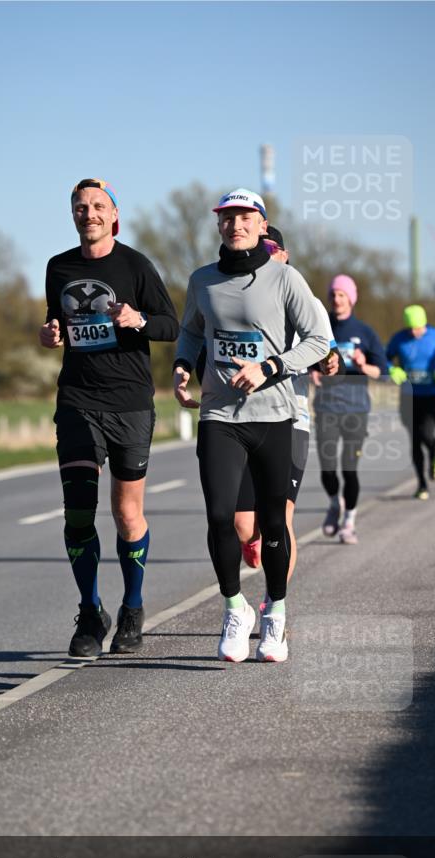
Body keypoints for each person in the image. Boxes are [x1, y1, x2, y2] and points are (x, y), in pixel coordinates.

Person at [173, 189, 329, 664]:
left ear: (262, 225)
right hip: (220, 415)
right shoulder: (202, 280)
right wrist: (182, 364)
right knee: (221, 516)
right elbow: (192, 329)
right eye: (227, 217)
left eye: (245, 216)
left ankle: (276, 614)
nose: (235, 224)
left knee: (274, 523)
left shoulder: (284, 278)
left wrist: (272, 367)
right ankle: (234, 607)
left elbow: (319, 339)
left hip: (273, 415)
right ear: (219, 225)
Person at [40, 178, 178, 658]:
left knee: (125, 513)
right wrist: (51, 333)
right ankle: (90, 610)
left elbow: (170, 325)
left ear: (113, 216)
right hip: (77, 400)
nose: (89, 213)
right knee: (78, 512)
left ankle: (133, 608)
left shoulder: (135, 265)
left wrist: (136, 320)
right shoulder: (59, 268)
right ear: (73, 214)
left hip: (130, 403)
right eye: (81, 206)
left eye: (98, 206)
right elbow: (55, 322)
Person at [231, 226, 343, 584]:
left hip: (290, 417)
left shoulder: (307, 300)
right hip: (241, 416)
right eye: (259, 247)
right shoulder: (234, 295)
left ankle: (274, 609)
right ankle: (252, 539)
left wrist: (329, 361)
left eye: (272, 247)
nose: (266, 253)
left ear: (285, 254)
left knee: (280, 515)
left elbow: (327, 349)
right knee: (242, 523)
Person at [312, 274, 388, 543]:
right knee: (327, 468)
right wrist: (312, 372)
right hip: (326, 408)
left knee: (349, 468)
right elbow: (305, 359)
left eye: (341, 295)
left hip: (356, 410)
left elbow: (383, 371)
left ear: (351, 299)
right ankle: (335, 503)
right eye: (333, 294)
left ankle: (349, 521)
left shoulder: (365, 332)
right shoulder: (320, 327)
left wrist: (363, 363)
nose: (336, 299)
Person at [386, 304, 435, 499]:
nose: (415, 332)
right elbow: (385, 356)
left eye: (418, 328)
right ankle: (422, 484)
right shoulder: (399, 339)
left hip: (430, 395)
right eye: (411, 328)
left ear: (425, 324)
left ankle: (433, 456)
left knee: (428, 435)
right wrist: (392, 370)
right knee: (415, 440)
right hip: (408, 397)